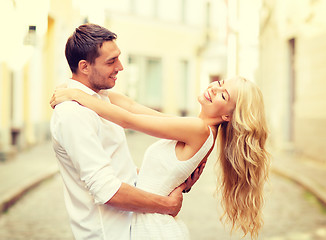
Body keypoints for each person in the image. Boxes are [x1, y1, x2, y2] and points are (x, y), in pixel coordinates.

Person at [51, 74, 270, 239]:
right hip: (147, 223)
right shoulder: (195, 127)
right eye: (220, 83)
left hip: (151, 227)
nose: (214, 89)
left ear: (227, 116)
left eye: (223, 95)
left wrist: (77, 95)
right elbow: (132, 106)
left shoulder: (197, 129)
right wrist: (78, 86)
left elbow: (129, 119)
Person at [50, 23, 204, 240]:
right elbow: (107, 189)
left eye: (118, 58)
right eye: (111, 61)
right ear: (84, 67)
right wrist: (167, 205)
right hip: (112, 233)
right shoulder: (72, 115)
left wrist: (174, 177)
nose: (121, 67)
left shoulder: (101, 100)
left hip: (134, 227)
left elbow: (124, 172)